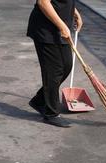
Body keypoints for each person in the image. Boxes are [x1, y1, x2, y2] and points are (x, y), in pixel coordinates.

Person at [27, 0, 83, 128]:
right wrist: (62, 26)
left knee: (67, 65)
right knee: (53, 71)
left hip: (61, 30)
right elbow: (43, 2)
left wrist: (75, 13)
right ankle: (51, 113)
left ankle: (40, 100)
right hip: (46, 30)